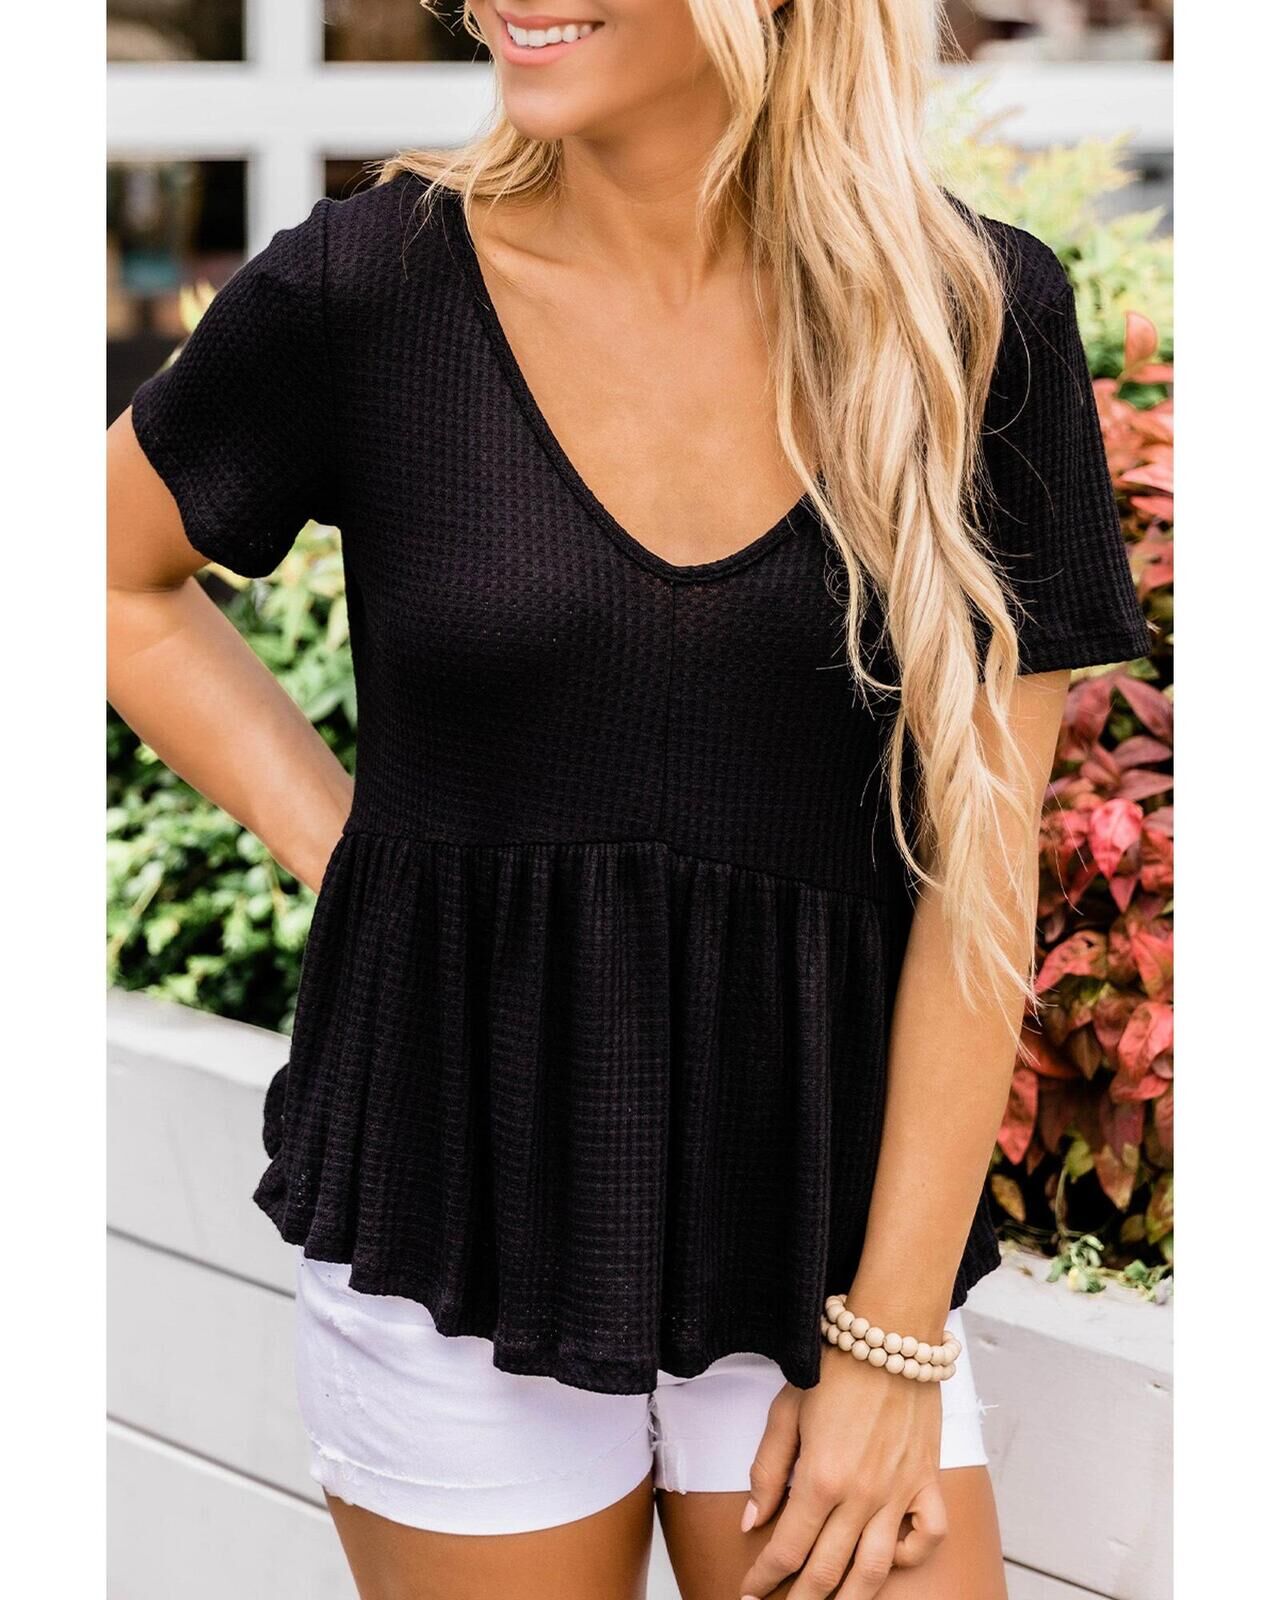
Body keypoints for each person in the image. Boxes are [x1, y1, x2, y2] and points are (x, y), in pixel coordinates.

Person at [105, 4, 1151, 1597]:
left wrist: (891, 1339)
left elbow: (981, 875)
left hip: (820, 1252)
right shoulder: (368, 286)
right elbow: (106, 574)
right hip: (454, 1223)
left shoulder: (969, 315)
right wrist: (355, 856)